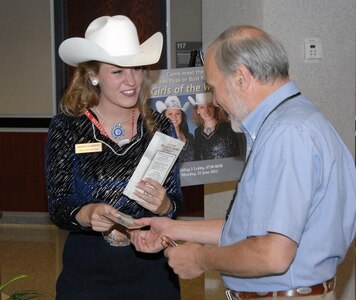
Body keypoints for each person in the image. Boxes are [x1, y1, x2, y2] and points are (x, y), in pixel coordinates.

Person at [130, 25, 356, 300]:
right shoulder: (295, 119)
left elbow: (273, 255)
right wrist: (171, 228)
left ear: (241, 78)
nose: (214, 100)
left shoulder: (287, 134)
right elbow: (250, 230)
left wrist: (202, 259)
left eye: (214, 88)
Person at [45, 15, 182, 299]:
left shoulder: (161, 126)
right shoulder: (67, 127)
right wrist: (86, 214)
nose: (131, 81)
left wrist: (164, 204)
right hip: (88, 271)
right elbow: (58, 205)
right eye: (117, 71)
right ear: (93, 75)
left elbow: (175, 203)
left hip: (152, 268)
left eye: (136, 69)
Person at [189, 92, 241, 160]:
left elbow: (236, 154)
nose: (206, 111)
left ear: (215, 108)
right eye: (202, 107)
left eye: (210, 106)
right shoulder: (198, 132)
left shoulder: (226, 128)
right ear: (197, 110)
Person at [155, 95, 195, 162]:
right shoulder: (160, 141)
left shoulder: (190, 137)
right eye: (170, 114)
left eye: (178, 113)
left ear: (182, 116)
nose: (174, 117)